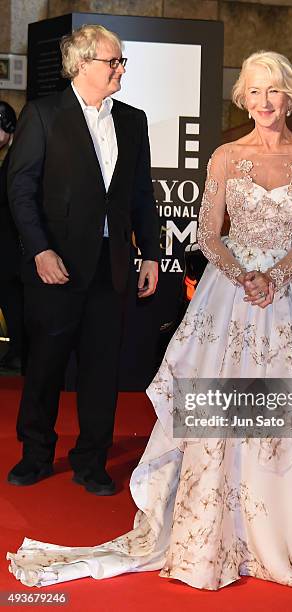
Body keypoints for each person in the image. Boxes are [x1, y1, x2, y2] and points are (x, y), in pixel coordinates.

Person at [7, 50, 292, 588]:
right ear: (242, 97)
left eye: (273, 91)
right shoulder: (226, 155)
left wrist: (277, 276)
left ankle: (281, 532)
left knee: (286, 417)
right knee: (222, 412)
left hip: (291, 298)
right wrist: (245, 274)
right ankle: (216, 525)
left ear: (289, 95)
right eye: (253, 91)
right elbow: (208, 233)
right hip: (232, 297)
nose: (263, 102)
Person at [6, 25, 159, 496]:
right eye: (112, 62)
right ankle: (34, 454)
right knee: (45, 366)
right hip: (56, 268)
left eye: (121, 61)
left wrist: (149, 253)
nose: (120, 69)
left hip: (111, 268)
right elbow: (21, 190)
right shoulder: (44, 115)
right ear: (82, 64)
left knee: (100, 370)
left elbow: (139, 194)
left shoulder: (133, 120)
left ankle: (91, 460)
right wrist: (40, 250)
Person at [0, 101, 23, 371]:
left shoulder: (17, 155)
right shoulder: (13, 152)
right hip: (9, 244)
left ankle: (19, 350)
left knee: (13, 301)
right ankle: (17, 349)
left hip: (11, 246)